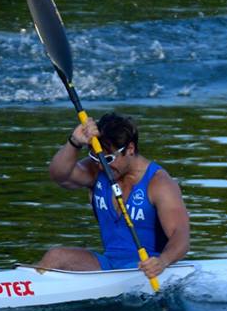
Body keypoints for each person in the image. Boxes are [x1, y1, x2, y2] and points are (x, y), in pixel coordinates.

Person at [39, 112, 190, 280]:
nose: (102, 166)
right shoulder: (96, 169)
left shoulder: (159, 183)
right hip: (109, 265)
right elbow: (59, 175)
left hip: (146, 269)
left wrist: (162, 261)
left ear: (130, 149)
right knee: (56, 256)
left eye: (108, 158)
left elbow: (181, 235)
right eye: (96, 157)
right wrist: (74, 142)